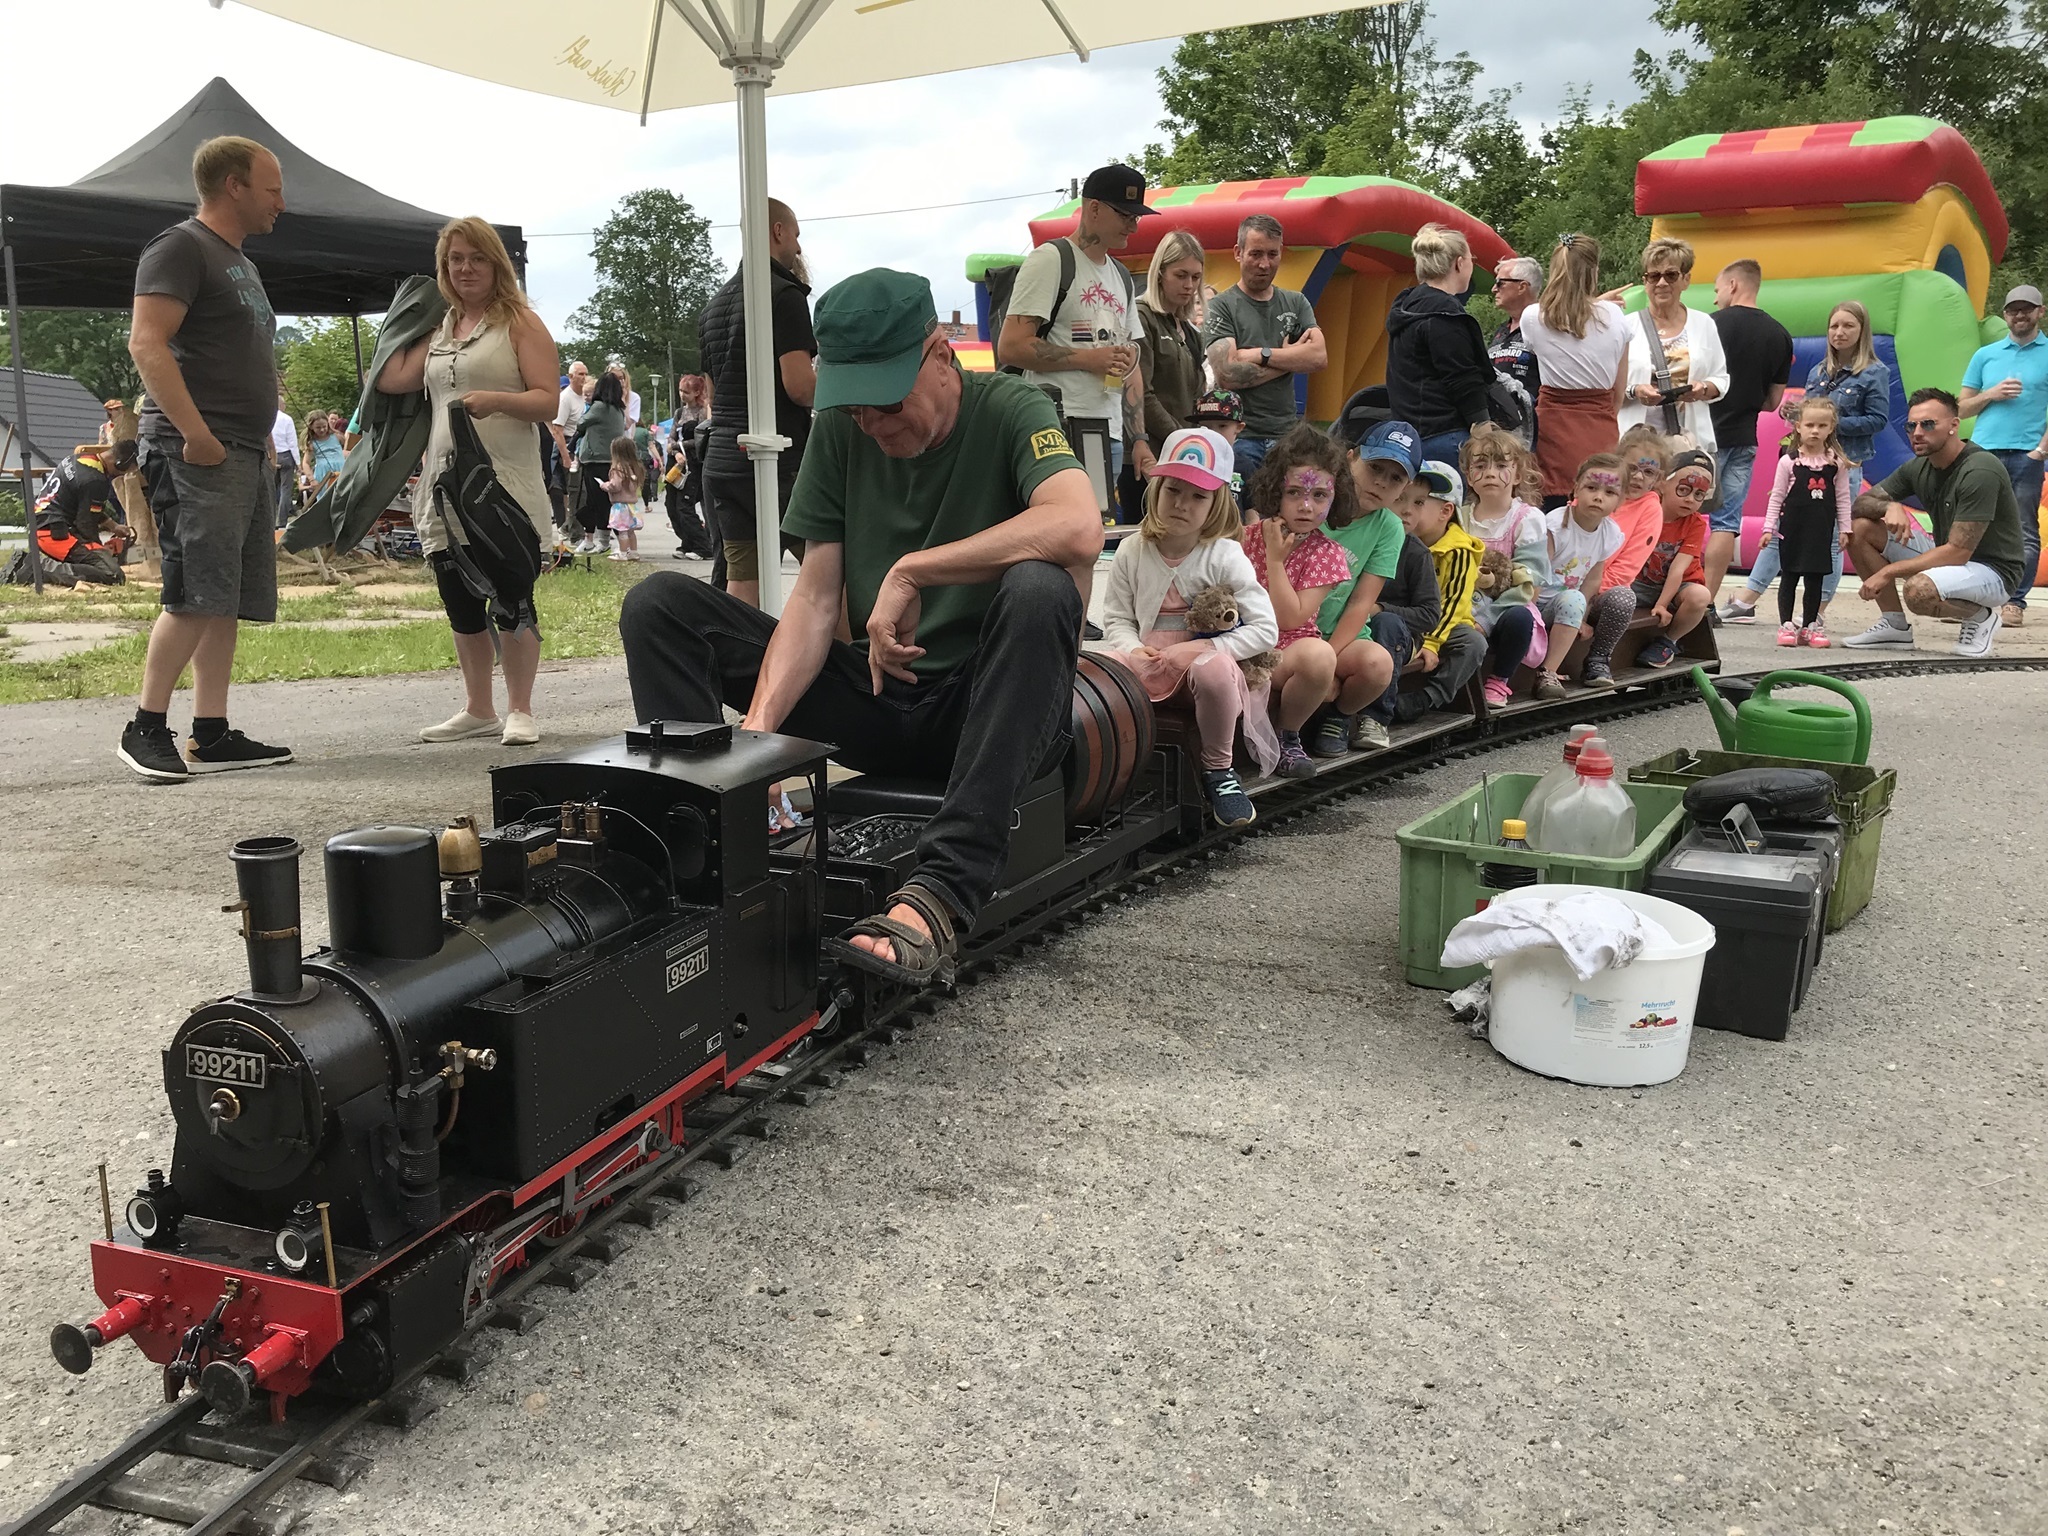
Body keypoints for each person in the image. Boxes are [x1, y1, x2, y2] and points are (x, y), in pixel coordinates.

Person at [620, 269, 1101, 983]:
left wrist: (913, 571)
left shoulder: (1012, 406)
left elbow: (1078, 526)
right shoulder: (844, 433)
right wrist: (755, 746)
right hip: (881, 696)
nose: (873, 425)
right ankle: (711, 844)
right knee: (659, 605)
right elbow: (815, 602)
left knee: (1041, 588)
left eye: (888, 403)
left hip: (990, 711)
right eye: (855, 408)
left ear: (941, 356)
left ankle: (943, 891)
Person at [117, 134, 292, 783]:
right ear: (233, 186)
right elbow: (146, 342)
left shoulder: (239, 262)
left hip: (240, 450)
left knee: (223, 595)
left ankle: (211, 731)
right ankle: (144, 727)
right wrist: (196, 434)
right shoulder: (180, 247)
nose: (281, 202)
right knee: (193, 591)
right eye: (272, 188)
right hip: (195, 449)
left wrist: (260, 438)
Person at [376, 216, 562, 747]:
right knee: (458, 600)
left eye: (476, 258)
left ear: (496, 264)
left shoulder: (520, 323)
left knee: (512, 596)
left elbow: (548, 401)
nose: (465, 269)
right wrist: (408, 318)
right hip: (445, 485)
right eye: (454, 259)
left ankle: (520, 709)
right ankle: (479, 708)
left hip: (503, 485)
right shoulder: (441, 329)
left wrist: (498, 400)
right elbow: (390, 378)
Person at [1100, 427, 1278, 826]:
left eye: (1198, 496)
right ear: (1156, 489)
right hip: (1148, 666)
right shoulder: (1131, 549)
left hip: (1201, 673)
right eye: (1173, 490)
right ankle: (1106, 767)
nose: (1181, 504)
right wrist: (1132, 649)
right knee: (1098, 666)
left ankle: (1219, 771)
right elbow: (1117, 619)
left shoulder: (1224, 555)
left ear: (1217, 503)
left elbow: (1266, 630)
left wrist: (1206, 648)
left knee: (1213, 669)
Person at [999, 164, 1154, 525]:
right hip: (1056, 426)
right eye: (1126, 215)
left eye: (1136, 217)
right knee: (1060, 533)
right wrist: (1090, 359)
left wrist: (1139, 439)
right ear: (1093, 208)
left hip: (1109, 433)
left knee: (1092, 535)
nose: (1133, 226)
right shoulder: (1051, 259)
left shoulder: (1121, 276)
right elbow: (1011, 346)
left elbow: (1129, 365)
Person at [1725, 300, 1891, 624]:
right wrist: (1798, 415)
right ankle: (1748, 599)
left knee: (1831, 538)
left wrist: (1830, 424)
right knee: (1783, 529)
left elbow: (1878, 419)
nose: (1839, 332)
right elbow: (1811, 413)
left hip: (1841, 465)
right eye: (1834, 326)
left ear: (1862, 331)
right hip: (1804, 462)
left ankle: (1817, 611)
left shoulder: (1874, 372)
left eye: (1848, 326)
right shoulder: (1819, 370)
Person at [1842, 388, 2027, 658]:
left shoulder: (1980, 469)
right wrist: (1889, 506)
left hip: (1994, 572)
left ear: (1954, 425)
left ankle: (1980, 617)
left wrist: (1888, 572)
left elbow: (1958, 552)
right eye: (1911, 426)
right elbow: (1860, 505)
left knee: (1919, 591)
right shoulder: (1920, 466)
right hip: (1948, 557)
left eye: (1928, 424)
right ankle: (1894, 626)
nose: (1917, 432)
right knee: (1860, 528)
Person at [699, 197, 816, 607]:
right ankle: (843, 651)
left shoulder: (713, 306)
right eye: (796, 235)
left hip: (723, 461)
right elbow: (799, 387)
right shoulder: (784, 295)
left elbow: (713, 395)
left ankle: (744, 649)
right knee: (827, 573)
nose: (798, 247)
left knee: (742, 579)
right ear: (778, 231)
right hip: (776, 460)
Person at [1238, 425, 1357, 777]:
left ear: (1335, 497)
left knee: (1321, 657)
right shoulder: (1242, 538)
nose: (1306, 506)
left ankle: (1287, 736)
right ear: (1275, 491)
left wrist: (1275, 562)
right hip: (1239, 642)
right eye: (1294, 492)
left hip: (1285, 651)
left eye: (1320, 495)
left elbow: (1289, 619)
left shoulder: (1327, 553)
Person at [1319, 408, 1422, 747]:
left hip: (1339, 635)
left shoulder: (1389, 527)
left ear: (1405, 487)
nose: (1381, 482)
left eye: (1396, 478)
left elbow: (1362, 602)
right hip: (1292, 627)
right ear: (1351, 458)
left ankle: (1338, 715)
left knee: (1378, 666)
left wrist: (1328, 659)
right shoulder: (1317, 499)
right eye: (1375, 467)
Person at [1204, 214, 1327, 489]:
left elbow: (1319, 357)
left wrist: (1261, 354)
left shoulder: (1296, 302)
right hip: (1239, 436)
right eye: (1256, 254)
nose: (1264, 264)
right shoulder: (1222, 305)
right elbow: (1227, 374)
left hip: (1287, 436)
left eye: (1272, 254)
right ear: (1238, 253)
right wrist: (1292, 360)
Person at [1701, 258, 1793, 606]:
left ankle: (1683, 599)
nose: (1715, 298)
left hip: (1702, 437)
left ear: (1733, 285)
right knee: (1726, 523)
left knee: (1684, 516)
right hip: (1743, 438)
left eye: (1717, 289)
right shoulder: (1780, 334)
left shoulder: (1709, 325)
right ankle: (1707, 603)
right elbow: (1772, 402)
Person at [1957, 284, 2048, 626]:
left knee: (2024, 530)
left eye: (2027, 309)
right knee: (1973, 525)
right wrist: (1991, 394)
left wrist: (2041, 450)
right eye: (2013, 310)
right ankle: (1972, 601)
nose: (2019, 315)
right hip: (1983, 452)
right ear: (2005, 315)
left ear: (2040, 312)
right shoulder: (1986, 355)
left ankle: (2014, 602)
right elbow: (1961, 408)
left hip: (2027, 454)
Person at [1518, 234, 1629, 504]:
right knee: (1597, 503)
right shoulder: (1615, 315)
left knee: (1550, 507)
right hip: (1599, 425)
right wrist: (1600, 304)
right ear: (1593, 271)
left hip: (1553, 428)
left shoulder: (1533, 317)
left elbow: (1564, 325)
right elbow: (1619, 391)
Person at [1385, 224, 1496, 465]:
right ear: (1459, 263)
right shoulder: (1445, 314)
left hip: (1410, 436)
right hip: (1447, 436)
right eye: (1471, 260)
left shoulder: (1407, 306)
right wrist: (1484, 432)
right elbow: (1463, 378)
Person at [1463, 427, 1557, 702]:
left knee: (1520, 618)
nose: (1490, 473)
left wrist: (1486, 619)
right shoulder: (1459, 516)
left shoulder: (1527, 519)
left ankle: (1499, 680)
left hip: (1507, 606)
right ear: (1468, 476)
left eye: (1502, 466)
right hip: (1465, 603)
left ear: (1517, 475)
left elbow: (1529, 585)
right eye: (1481, 465)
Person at [1618, 237, 1728, 456]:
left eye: (1670, 275)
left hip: (1688, 442)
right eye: (1654, 276)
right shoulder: (1626, 326)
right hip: (1635, 446)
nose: (1661, 283)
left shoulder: (1703, 324)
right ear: (1645, 281)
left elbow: (1721, 379)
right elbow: (1607, 388)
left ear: (1686, 280)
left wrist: (1702, 388)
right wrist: (1635, 391)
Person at [1128, 228, 1208, 522]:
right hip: (1149, 455)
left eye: (1196, 277)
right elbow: (1142, 392)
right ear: (1160, 273)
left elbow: (1197, 396)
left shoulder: (1189, 330)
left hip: (1184, 456)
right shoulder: (1141, 316)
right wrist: (1182, 439)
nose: (1189, 285)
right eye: (1181, 275)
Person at [1761, 397, 1854, 647]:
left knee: (1815, 578)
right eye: (1810, 425)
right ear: (1798, 426)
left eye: (1822, 426)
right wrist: (1768, 528)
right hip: (1793, 529)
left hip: (1820, 531)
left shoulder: (1836, 464)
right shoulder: (1789, 462)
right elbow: (1777, 495)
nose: (1815, 431)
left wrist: (1845, 528)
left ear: (1831, 428)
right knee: (1789, 576)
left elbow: (1843, 498)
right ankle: (1786, 624)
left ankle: (1810, 626)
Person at [1541, 454, 1632, 694]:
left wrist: (1582, 618)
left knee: (1622, 596)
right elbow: (1537, 572)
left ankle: (1589, 662)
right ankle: (1546, 673)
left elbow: (1592, 579)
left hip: (1570, 605)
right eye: (1591, 488)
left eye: (1609, 492)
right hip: (1540, 604)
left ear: (1621, 500)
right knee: (1573, 598)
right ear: (1576, 488)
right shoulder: (1555, 525)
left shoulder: (1609, 533)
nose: (1599, 497)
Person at [1403, 467, 1488, 712]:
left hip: (1445, 624)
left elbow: (1453, 604)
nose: (1408, 510)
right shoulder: (1397, 538)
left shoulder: (1459, 551)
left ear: (1446, 511)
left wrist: (1431, 642)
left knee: (1473, 643)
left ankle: (1428, 698)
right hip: (1409, 617)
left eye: (1420, 503)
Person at [1630, 447, 1715, 668]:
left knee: (1700, 596)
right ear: (1662, 484)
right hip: (1638, 582)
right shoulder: (1645, 509)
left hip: (1677, 587)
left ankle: (1668, 642)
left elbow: (1678, 569)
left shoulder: (1695, 523)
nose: (1690, 500)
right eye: (1683, 490)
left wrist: (1662, 604)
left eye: (1699, 495)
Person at [32, 440, 134, 584]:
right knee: (113, 575)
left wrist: (114, 526)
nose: (123, 474)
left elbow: (86, 505)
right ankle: (34, 568)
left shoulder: (80, 459)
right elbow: (86, 525)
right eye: (127, 470)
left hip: (44, 523)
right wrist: (100, 551)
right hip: (54, 534)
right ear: (120, 464)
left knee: (97, 564)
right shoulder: (95, 480)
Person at [1487, 253, 1544, 445]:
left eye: (1500, 283)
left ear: (1522, 286)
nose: (1494, 289)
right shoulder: (1501, 331)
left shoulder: (1546, 326)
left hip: (1536, 431)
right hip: (1501, 430)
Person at [572, 371, 628, 554]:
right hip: (612, 459)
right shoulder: (619, 409)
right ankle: (604, 541)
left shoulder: (598, 407)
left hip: (595, 459)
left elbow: (581, 423)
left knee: (597, 502)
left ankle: (605, 542)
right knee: (606, 501)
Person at [549, 359, 589, 528]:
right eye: (580, 374)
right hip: (569, 443)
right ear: (571, 377)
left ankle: (579, 527)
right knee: (574, 491)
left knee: (584, 491)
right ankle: (571, 528)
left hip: (583, 445)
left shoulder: (586, 396)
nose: (584, 377)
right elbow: (557, 430)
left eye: (586, 374)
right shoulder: (565, 398)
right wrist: (565, 456)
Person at [603, 435, 645, 562]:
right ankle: (633, 552)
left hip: (620, 505)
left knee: (622, 531)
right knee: (631, 531)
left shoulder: (617, 468)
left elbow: (615, 486)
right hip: (631, 505)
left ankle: (622, 553)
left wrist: (605, 485)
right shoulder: (635, 467)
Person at [268, 392, 299, 529]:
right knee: (286, 489)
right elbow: (292, 442)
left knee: (273, 489)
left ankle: (272, 519)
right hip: (286, 455)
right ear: (281, 404)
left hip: (272, 455)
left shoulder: (268, 417)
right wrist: (298, 462)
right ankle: (282, 521)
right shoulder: (287, 419)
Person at [301, 410, 345, 501]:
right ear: (311, 427)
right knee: (326, 500)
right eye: (318, 427)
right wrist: (312, 479)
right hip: (323, 475)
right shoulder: (312, 443)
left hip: (341, 471)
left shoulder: (337, 436)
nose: (322, 430)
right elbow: (306, 463)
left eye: (324, 426)